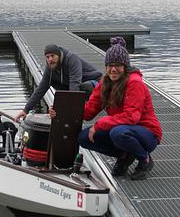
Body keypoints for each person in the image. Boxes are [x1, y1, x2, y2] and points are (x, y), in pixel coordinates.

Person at [50, 36, 162, 180]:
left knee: (118, 133)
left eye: (118, 65)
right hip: (122, 128)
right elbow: (88, 112)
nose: (113, 69)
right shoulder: (105, 83)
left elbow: (131, 117)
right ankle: (124, 155)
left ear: (125, 67)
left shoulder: (135, 83)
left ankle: (144, 159)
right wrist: (61, 111)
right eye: (110, 65)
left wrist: (99, 124)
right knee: (83, 138)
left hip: (147, 133)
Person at [14, 44, 102, 122]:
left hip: (96, 83)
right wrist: (25, 110)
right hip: (76, 88)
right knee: (57, 91)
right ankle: (74, 109)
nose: (50, 59)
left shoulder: (72, 59)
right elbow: (40, 89)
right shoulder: (49, 68)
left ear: (59, 55)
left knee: (85, 87)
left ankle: (85, 107)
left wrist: (67, 109)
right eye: (47, 57)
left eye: (52, 56)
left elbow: (75, 86)